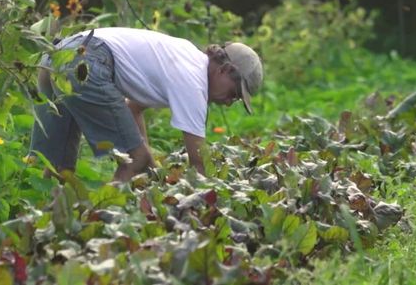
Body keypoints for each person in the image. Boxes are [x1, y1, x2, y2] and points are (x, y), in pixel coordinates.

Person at [30, 27, 263, 182]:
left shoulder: (187, 56)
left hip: (57, 55)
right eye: (235, 94)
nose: (230, 102)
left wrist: (150, 165)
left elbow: (133, 108)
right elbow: (199, 163)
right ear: (224, 70)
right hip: (86, 60)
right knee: (135, 159)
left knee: (59, 167)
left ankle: (46, 228)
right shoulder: (195, 83)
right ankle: (97, 221)